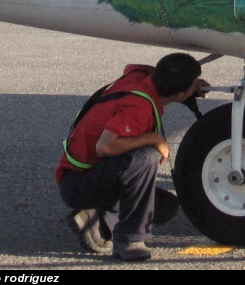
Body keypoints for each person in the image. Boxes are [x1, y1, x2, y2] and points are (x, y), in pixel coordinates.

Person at [55, 53, 206, 261]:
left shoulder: (139, 76)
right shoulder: (139, 107)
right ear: (181, 95)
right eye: (194, 84)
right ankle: (128, 241)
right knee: (146, 158)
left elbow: (132, 66)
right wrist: (155, 138)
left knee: (165, 206)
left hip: (92, 175)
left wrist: (188, 82)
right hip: (78, 183)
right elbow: (105, 147)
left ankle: (95, 221)